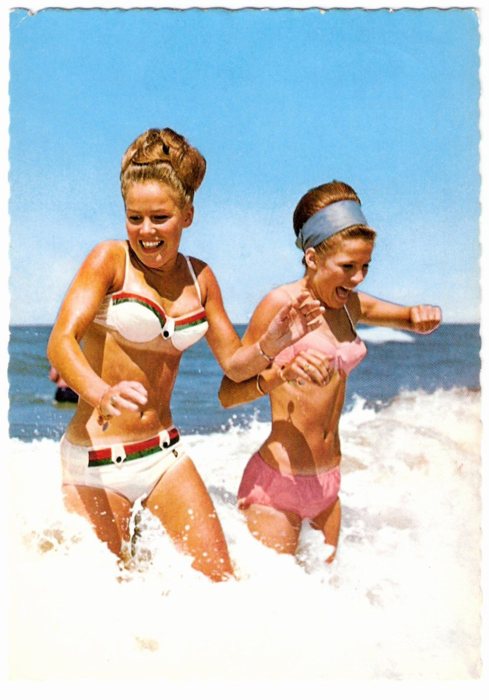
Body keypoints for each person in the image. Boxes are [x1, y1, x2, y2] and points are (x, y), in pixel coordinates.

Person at [47, 127, 321, 582]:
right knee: (111, 595)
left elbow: (234, 364)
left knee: (221, 584)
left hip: (163, 456)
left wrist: (273, 342)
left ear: (187, 215)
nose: (146, 231)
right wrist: (100, 393)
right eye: (134, 218)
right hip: (97, 463)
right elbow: (60, 341)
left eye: (160, 217)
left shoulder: (201, 278)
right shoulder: (109, 260)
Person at [219, 181, 441, 564]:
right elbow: (227, 393)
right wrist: (280, 372)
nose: (357, 278)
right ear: (312, 258)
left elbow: (407, 317)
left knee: (329, 595)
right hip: (278, 485)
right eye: (347, 267)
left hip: (327, 486)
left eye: (365, 267)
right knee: (271, 597)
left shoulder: (350, 306)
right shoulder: (280, 304)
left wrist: (420, 316)